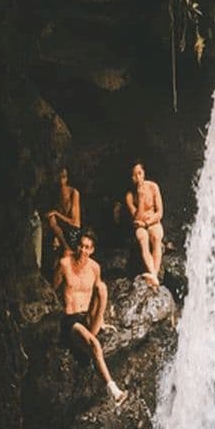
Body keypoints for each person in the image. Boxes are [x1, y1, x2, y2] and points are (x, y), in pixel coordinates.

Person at [53, 230, 127, 405]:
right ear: (76, 245)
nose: (82, 250)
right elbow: (52, 290)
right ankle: (114, 391)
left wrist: (100, 321)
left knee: (102, 288)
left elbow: (97, 296)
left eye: (87, 247)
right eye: (80, 245)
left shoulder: (95, 267)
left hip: (88, 317)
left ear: (92, 250)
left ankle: (97, 327)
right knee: (94, 344)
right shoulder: (64, 264)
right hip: (71, 320)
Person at [125, 161, 163, 287]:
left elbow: (160, 212)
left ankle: (154, 276)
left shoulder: (153, 187)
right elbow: (137, 217)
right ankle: (154, 275)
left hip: (152, 221)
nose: (138, 177)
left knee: (156, 236)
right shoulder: (130, 196)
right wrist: (140, 198)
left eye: (140, 173)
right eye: (135, 175)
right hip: (139, 226)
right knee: (142, 238)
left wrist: (148, 223)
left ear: (144, 173)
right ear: (132, 178)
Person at [46, 166, 81, 254]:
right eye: (59, 177)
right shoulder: (54, 193)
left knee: (53, 216)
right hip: (60, 231)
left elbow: (74, 222)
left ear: (67, 178)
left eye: (63, 177)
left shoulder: (73, 193)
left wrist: (56, 213)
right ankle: (64, 247)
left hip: (73, 231)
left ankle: (66, 248)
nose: (60, 180)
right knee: (51, 218)